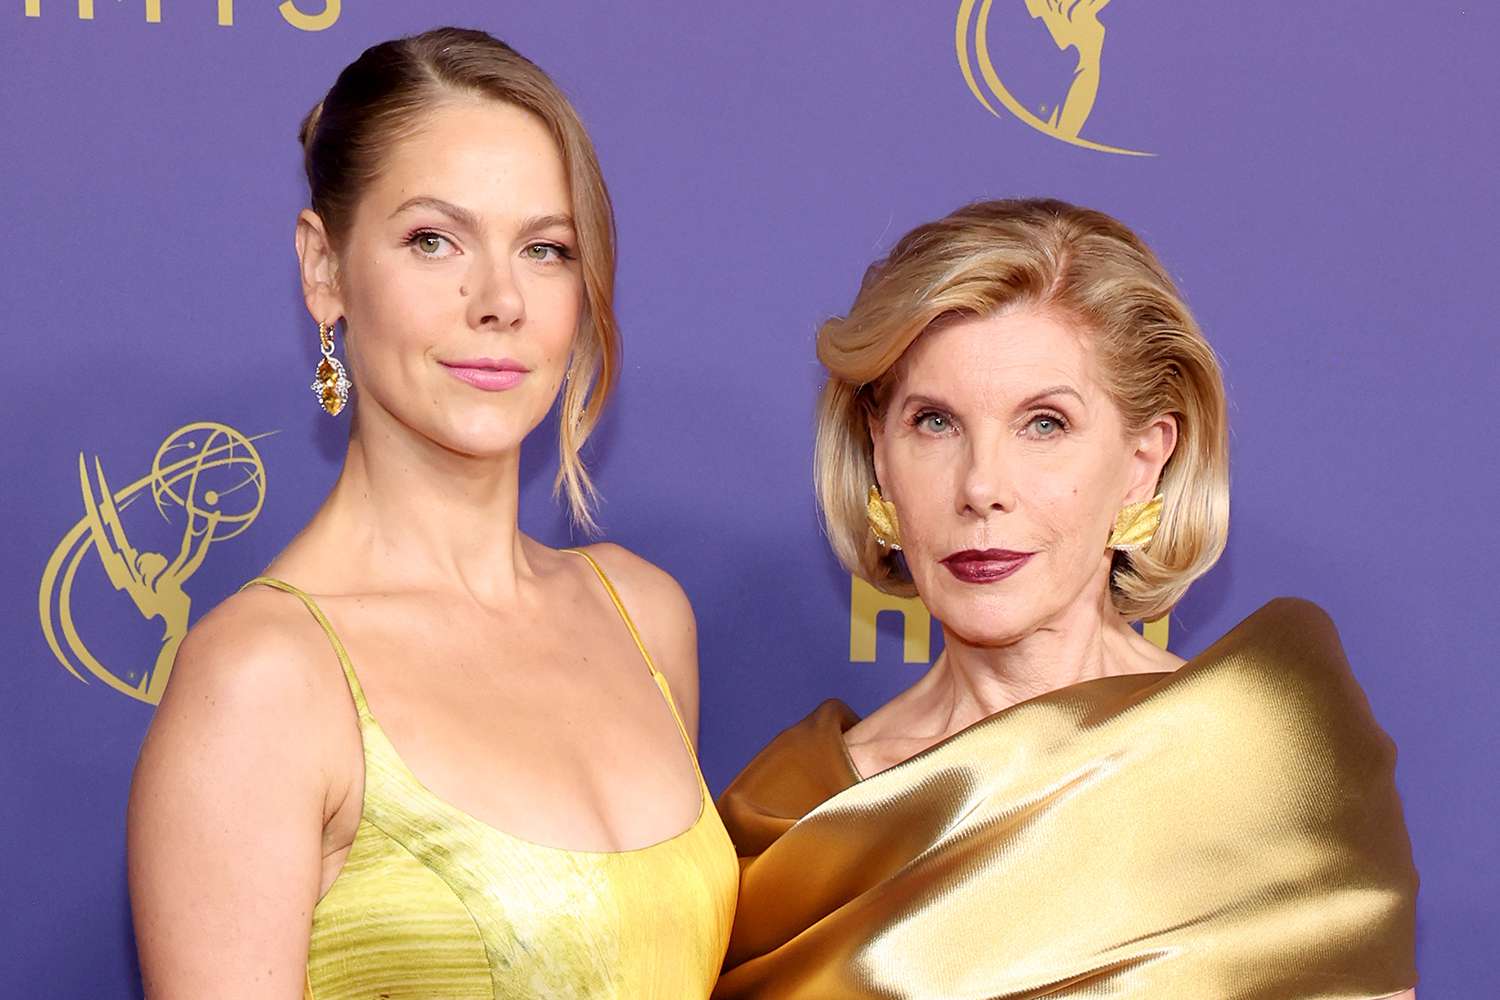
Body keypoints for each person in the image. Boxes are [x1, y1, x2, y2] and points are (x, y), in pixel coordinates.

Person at [127, 27, 735, 1000]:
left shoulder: (644, 615)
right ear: (325, 269)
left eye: (545, 248)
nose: (498, 299)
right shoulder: (265, 680)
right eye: (433, 239)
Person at [713, 199, 1418, 999]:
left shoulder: (1273, 759)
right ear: (879, 454)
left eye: (1044, 424)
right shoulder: (791, 820)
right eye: (935, 422)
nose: (981, 488)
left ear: (1144, 461)